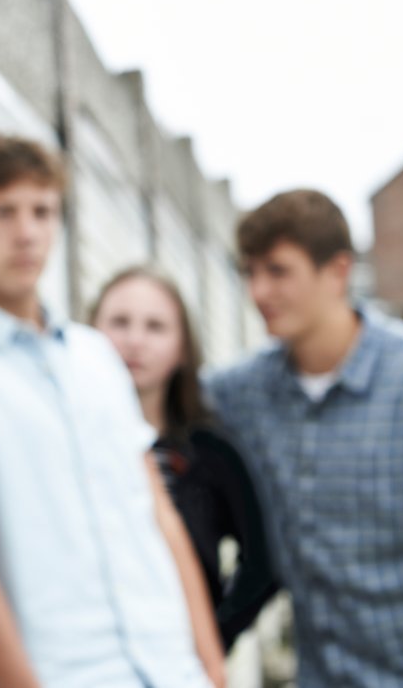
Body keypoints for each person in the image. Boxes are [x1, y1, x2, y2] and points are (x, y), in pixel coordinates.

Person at [0, 133, 225, 688]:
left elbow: (160, 516)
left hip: (171, 670)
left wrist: (212, 669)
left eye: (42, 211)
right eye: (3, 211)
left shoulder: (97, 354)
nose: (27, 232)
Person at [204, 189, 403, 686]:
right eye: (249, 272)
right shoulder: (243, 391)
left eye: (278, 271)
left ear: (338, 272)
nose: (258, 291)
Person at [89, 266, 276, 650]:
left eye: (155, 326)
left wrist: (215, 638)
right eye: (120, 322)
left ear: (183, 348)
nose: (135, 341)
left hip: (179, 659)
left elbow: (264, 561)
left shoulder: (210, 451)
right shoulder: (61, 441)